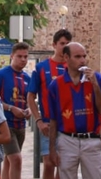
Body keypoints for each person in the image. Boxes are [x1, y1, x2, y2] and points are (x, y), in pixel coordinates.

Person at [47, 42, 101, 179]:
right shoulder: (56, 85)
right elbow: (53, 120)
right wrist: (52, 149)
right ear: (66, 58)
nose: (82, 60)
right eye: (77, 56)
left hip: (91, 140)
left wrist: (95, 85)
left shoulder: (98, 79)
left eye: (84, 56)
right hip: (67, 140)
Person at [28, 29, 72, 179]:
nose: (64, 46)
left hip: (68, 124)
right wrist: (38, 121)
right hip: (48, 123)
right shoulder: (42, 68)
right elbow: (30, 96)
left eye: (67, 44)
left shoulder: (73, 68)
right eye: (62, 43)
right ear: (54, 45)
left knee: (63, 164)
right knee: (48, 164)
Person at [0, 42, 31, 179]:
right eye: (19, 56)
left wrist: (29, 110)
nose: (23, 60)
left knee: (9, 161)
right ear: (12, 56)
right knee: (16, 159)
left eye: (25, 57)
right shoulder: (1, 75)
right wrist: (10, 108)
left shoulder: (28, 78)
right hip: (5, 124)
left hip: (21, 125)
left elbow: (30, 101)